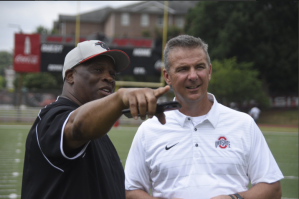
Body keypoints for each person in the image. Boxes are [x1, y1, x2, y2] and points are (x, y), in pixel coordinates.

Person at [124, 35, 283, 199]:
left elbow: (273, 189)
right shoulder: (149, 130)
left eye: (199, 67)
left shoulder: (244, 124)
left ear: (209, 71)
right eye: (183, 69)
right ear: (167, 76)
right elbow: (130, 190)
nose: (193, 76)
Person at [21, 40, 170, 199]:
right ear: (70, 76)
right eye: (97, 70)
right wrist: (120, 98)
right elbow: (76, 126)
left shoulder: (99, 132)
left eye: (112, 74)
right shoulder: (52, 117)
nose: (108, 78)